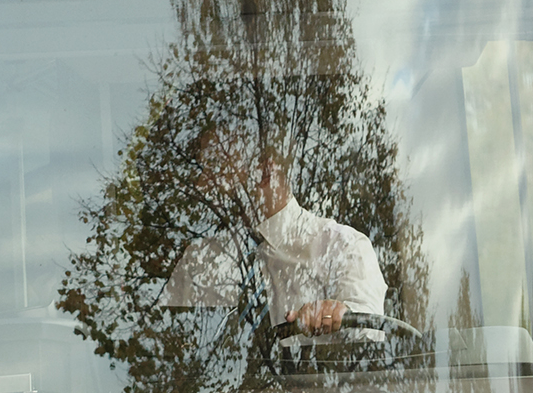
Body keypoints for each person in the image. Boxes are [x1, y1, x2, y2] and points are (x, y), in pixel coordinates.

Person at [163, 124, 386, 338]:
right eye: (204, 172)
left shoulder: (342, 246)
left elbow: (370, 335)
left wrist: (338, 315)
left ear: (265, 172)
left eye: (216, 168)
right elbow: (170, 331)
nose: (203, 184)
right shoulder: (198, 261)